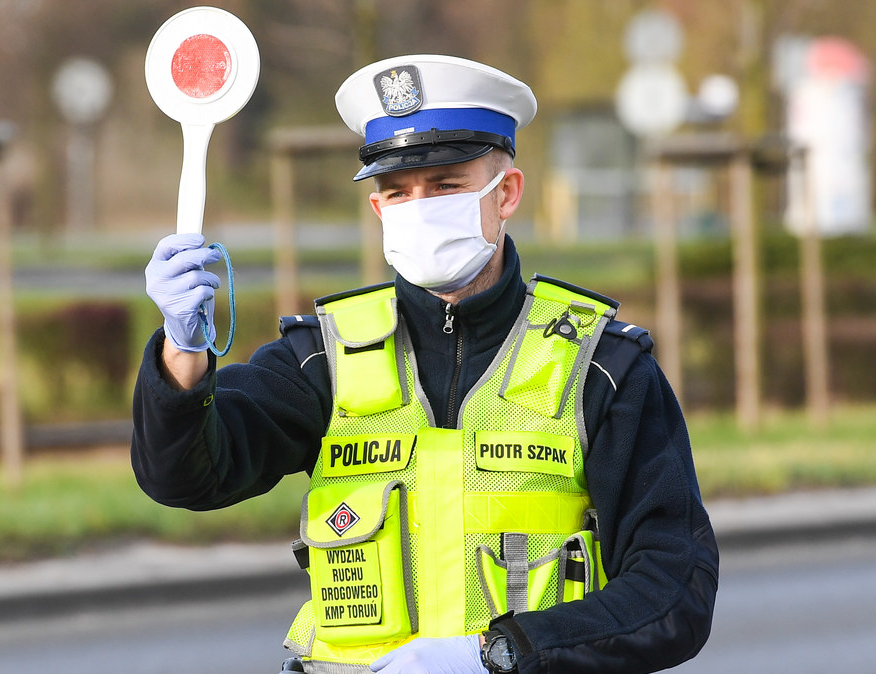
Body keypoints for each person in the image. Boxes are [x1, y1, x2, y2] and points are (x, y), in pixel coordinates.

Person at [133, 54, 717, 674]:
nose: (420, 206)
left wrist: (500, 655)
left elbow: (673, 591)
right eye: (397, 192)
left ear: (507, 193)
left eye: (446, 186)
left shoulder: (602, 367)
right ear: (379, 210)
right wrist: (183, 351)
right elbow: (184, 477)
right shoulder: (322, 361)